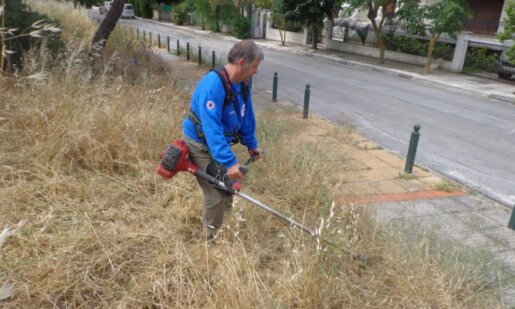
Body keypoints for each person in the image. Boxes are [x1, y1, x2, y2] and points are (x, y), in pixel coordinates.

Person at [182, 40, 264, 242]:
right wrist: (229, 162)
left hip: (218, 146)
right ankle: (208, 240)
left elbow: (246, 116)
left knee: (228, 186)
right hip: (199, 145)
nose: (255, 72)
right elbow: (212, 130)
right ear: (242, 62)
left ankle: (221, 226)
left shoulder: (241, 85)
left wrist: (251, 143)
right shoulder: (213, 86)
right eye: (254, 67)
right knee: (216, 192)